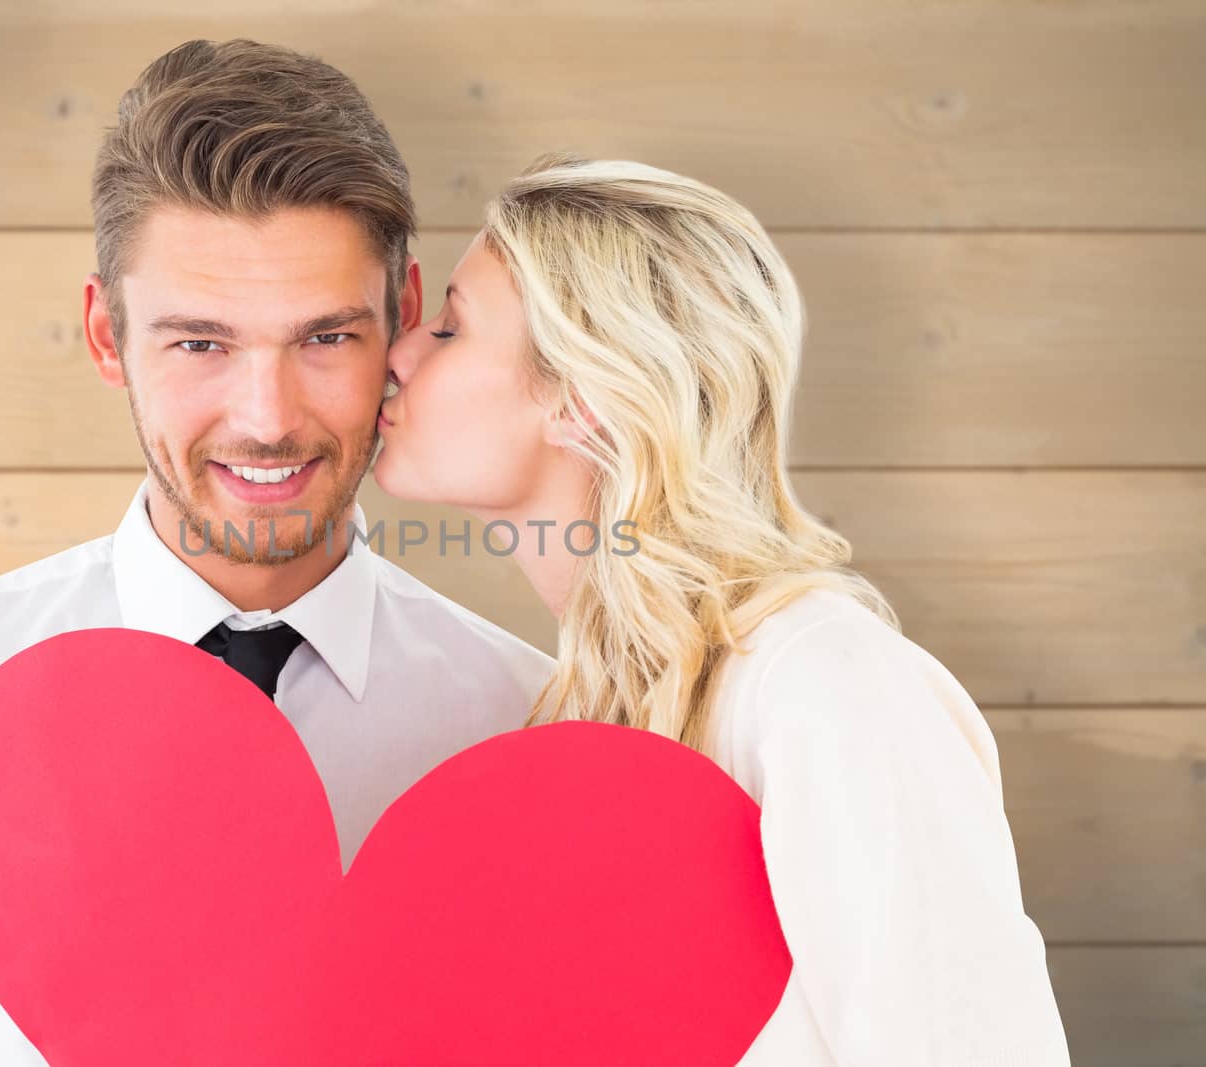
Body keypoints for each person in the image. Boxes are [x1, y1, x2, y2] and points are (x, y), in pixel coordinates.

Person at [0, 40, 552, 1065]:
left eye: (324, 338)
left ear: (401, 315)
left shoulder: (531, 728)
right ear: (106, 334)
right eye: (200, 342)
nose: (267, 418)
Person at [374, 154, 1074, 1065]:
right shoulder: (579, 710)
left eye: (451, 328)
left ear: (583, 400)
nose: (398, 349)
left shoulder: (825, 684)